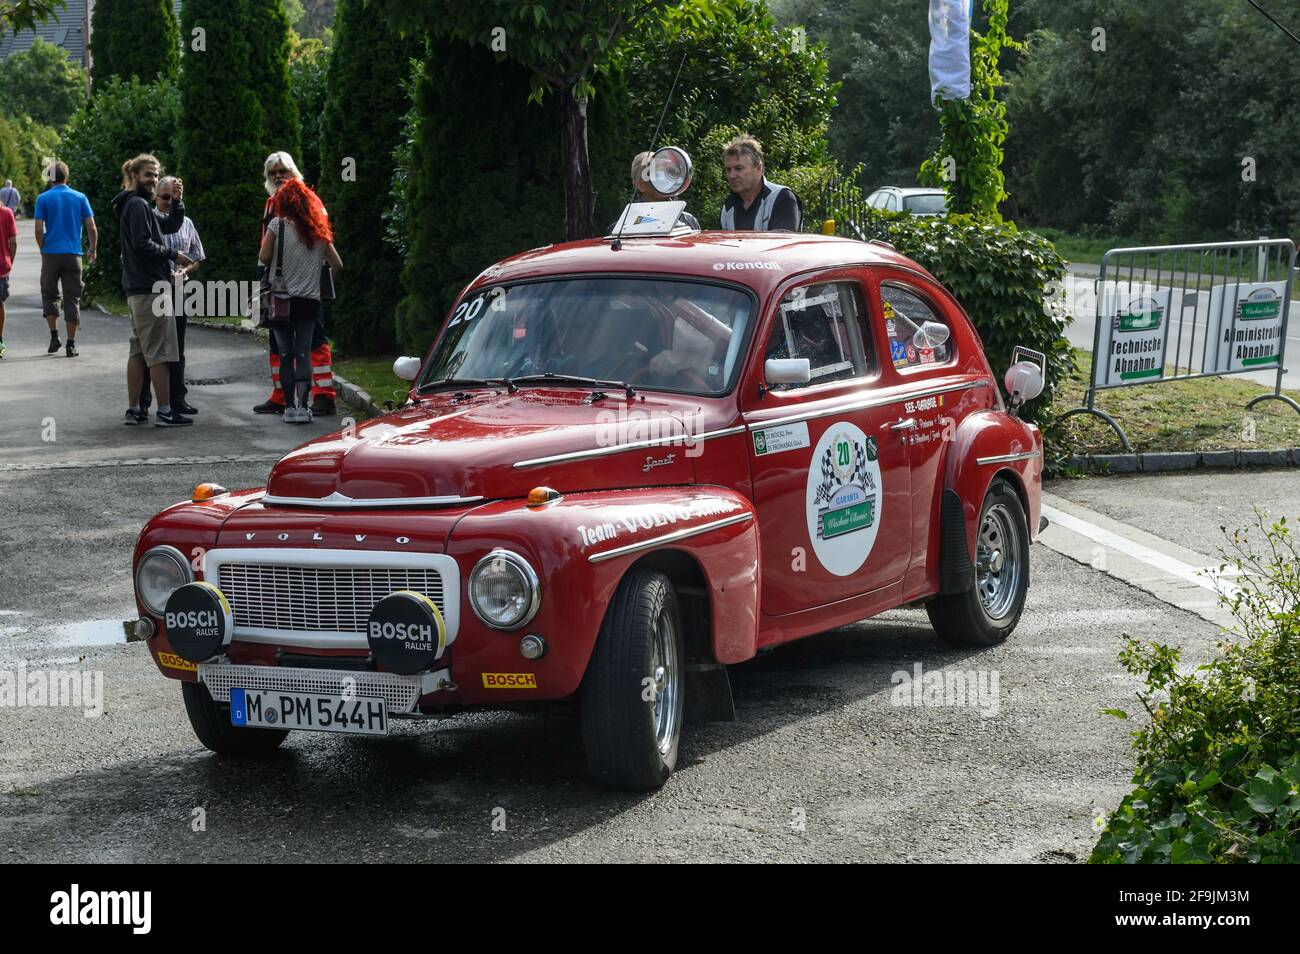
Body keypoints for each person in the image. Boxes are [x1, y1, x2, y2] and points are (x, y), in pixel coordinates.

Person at [111, 154, 194, 427]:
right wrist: (174, 255)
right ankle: (166, 412)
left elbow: (168, 225)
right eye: (149, 174)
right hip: (149, 290)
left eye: (156, 175)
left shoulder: (135, 205)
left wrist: (178, 202)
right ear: (134, 175)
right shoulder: (136, 205)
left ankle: (135, 410)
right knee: (159, 352)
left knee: (138, 351)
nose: (154, 180)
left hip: (139, 287)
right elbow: (143, 244)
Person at [253, 151, 338, 416]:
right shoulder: (271, 203)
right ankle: (281, 396)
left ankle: (323, 395)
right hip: (280, 284)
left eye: (283, 171)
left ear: (294, 173)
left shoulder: (310, 200)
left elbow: (322, 243)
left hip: (303, 284)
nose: (278, 177)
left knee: (312, 342)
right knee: (281, 345)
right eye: (273, 173)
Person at [139, 176, 205, 418]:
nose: (168, 202)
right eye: (164, 197)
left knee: (177, 346)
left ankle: (178, 399)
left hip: (178, 288)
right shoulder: (148, 220)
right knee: (153, 348)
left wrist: (185, 269)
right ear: (155, 197)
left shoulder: (185, 222)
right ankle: (144, 402)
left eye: (172, 197)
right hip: (154, 288)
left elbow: (197, 256)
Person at [33, 161, 97, 357]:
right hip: (73, 254)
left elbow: (38, 229)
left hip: (51, 254)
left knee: (49, 295)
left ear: (50, 179)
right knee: (72, 298)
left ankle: (54, 336)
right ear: (66, 177)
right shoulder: (80, 197)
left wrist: (44, 248)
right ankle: (71, 344)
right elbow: (91, 227)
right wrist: (92, 249)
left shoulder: (42, 199)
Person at [719, 135, 802, 232]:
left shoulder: (782, 198)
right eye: (728, 170)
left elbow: (781, 245)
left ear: (759, 168)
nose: (732, 175)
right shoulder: (728, 206)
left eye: (739, 168)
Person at [608, 152, 701, 233]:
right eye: (656, 172)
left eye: (666, 171)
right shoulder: (621, 228)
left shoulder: (689, 221)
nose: (665, 177)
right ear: (641, 185)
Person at [0, 198, 16, 359]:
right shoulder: (6, 213)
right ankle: (0, 339)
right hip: (2, 266)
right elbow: (13, 242)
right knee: (0, 303)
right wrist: (10, 260)